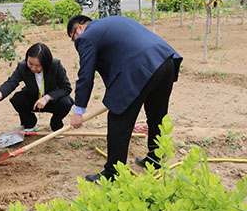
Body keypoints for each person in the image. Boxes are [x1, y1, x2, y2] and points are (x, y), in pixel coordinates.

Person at [67, 15, 182, 182]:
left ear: (79, 28)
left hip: (139, 68)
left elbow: (86, 75)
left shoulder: (86, 36)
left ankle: (113, 172)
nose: (76, 42)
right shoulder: (112, 23)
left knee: (118, 122)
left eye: (73, 37)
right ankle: (155, 159)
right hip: (165, 61)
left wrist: (79, 111)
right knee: (157, 115)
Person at [0, 43, 74, 133]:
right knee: (17, 99)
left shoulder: (56, 66)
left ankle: (56, 125)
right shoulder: (23, 67)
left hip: (52, 101)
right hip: (33, 100)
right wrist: (0, 93)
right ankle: (30, 124)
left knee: (66, 103)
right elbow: (12, 82)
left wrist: (47, 98)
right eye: (30, 63)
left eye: (37, 65)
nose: (33, 68)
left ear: (46, 63)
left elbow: (66, 88)